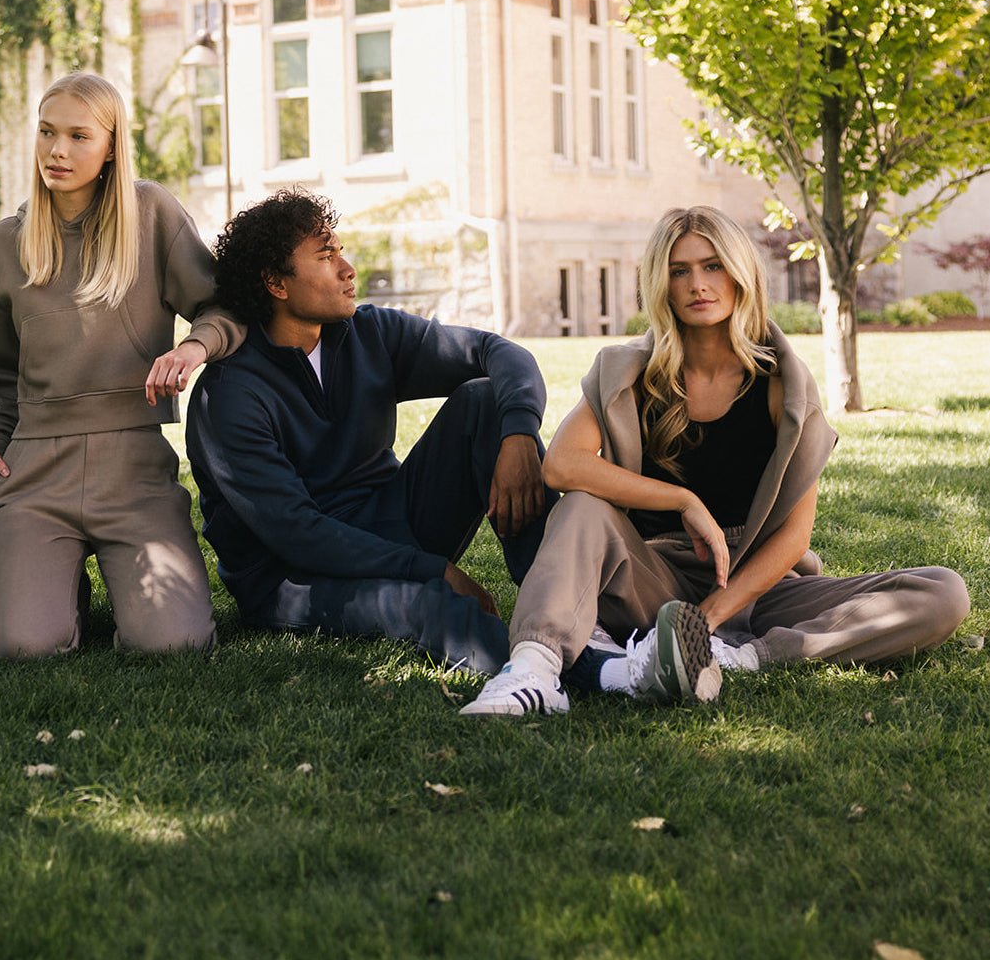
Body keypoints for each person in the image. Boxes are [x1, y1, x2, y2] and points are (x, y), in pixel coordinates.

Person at [462, 205, 971, 717]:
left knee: (942, 592)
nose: (697, 285)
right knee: (581, 508)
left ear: (740, 273)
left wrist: (706, 621)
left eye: (712, 266)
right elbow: (562, 467)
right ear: (661, 285)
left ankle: (740, 657)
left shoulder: (782, 386)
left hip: (758, 588)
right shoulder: (629, 373)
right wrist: (682, 500)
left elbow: (793, 539)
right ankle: (533, 671)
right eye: (679, 271)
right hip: (652, 576)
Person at [186, 188, 552, 674]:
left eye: (339, 250)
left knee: (485, 400)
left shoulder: (367, 332)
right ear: (276, 282)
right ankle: (540, 674)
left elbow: (498, 352)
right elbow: (297, 533)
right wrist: (429, 569)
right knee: (425, 606)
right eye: (325, 256)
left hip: (390, 522)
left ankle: (568, 614)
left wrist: (519, 435)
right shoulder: (229, 394)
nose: (347, 268)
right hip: (293, 578)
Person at [0, 72, 243, 657]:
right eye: (47, 133)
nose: (58, 151)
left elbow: (222, 305)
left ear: (112, 145)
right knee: (20, 646)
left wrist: (194, 346)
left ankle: (80, 580)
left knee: (174, 644)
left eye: (78, 136)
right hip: (35, 470)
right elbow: (1, 374)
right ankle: (56, 581)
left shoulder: (152, 214)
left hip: (134, 467)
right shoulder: (5, 243)